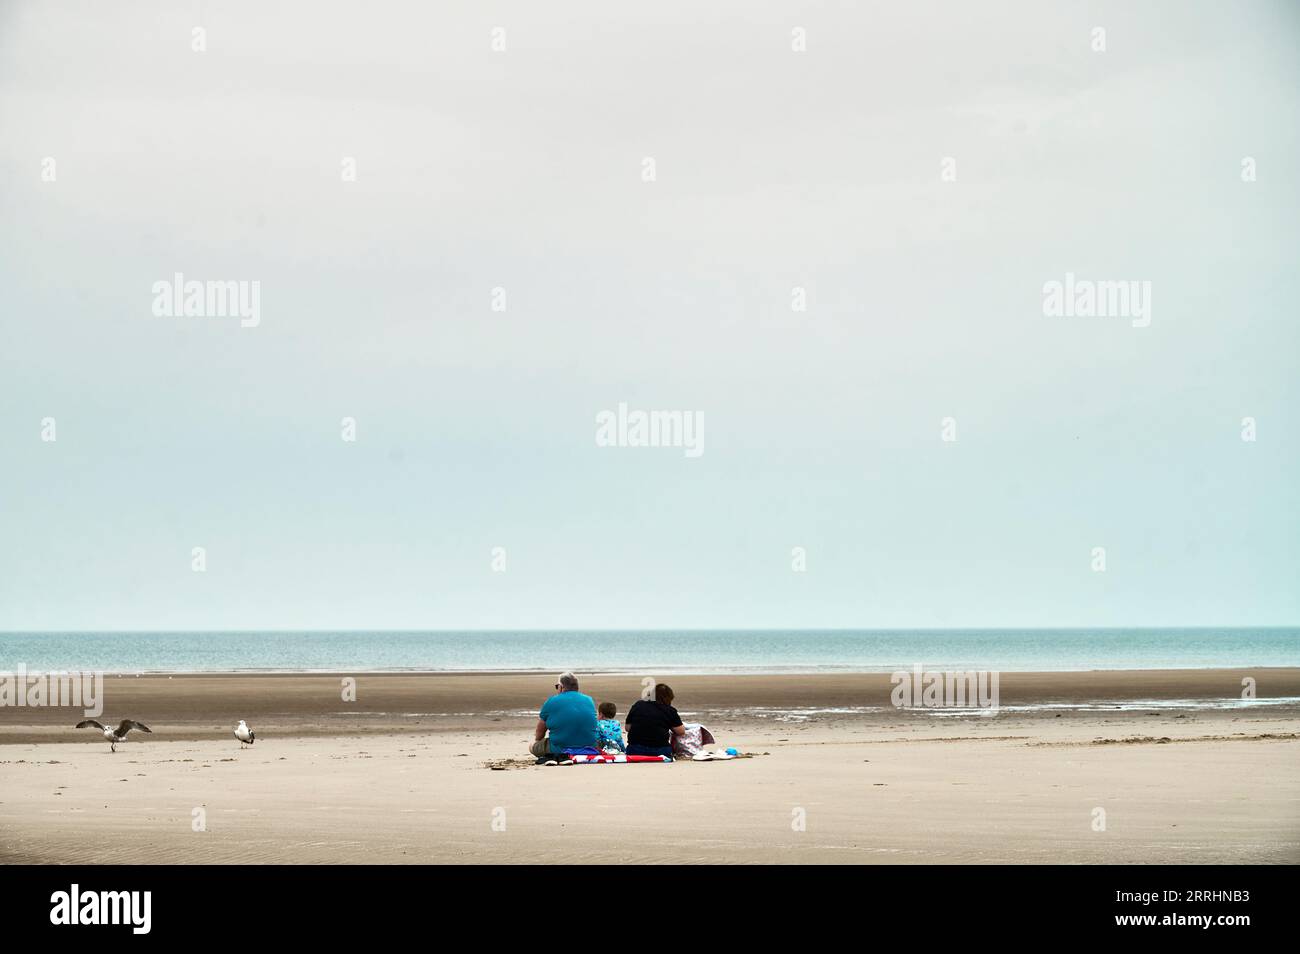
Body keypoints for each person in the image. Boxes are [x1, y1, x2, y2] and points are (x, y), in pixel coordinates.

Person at [530, 672, 598, 761]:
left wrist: (538, 741)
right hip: (589, 747)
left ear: (561, 687)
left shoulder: (552, 701)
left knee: (532, 746)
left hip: (559, 748)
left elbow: (540, 730)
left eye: (557, 686)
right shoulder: (589, 700)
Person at [624, 683, 684, 758]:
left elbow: (627, 728)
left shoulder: (638, 705)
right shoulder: (670, 710)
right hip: (660, 750)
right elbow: (681, 731)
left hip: (635, 749)